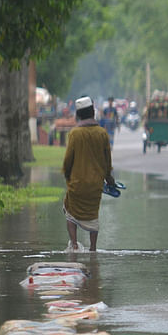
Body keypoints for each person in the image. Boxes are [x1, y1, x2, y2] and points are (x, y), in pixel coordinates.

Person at [63, 96, 115, 252]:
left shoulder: (74, 134)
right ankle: (93, 248)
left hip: (77, 184)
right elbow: (107, 162)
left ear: (78, 115)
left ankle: (74, 244)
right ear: (93, 112)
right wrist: (110, 180)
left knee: (70, 212)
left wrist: (68, 178)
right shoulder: (102, 134)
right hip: (95, 186)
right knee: (93, 216)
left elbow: (68, 162)